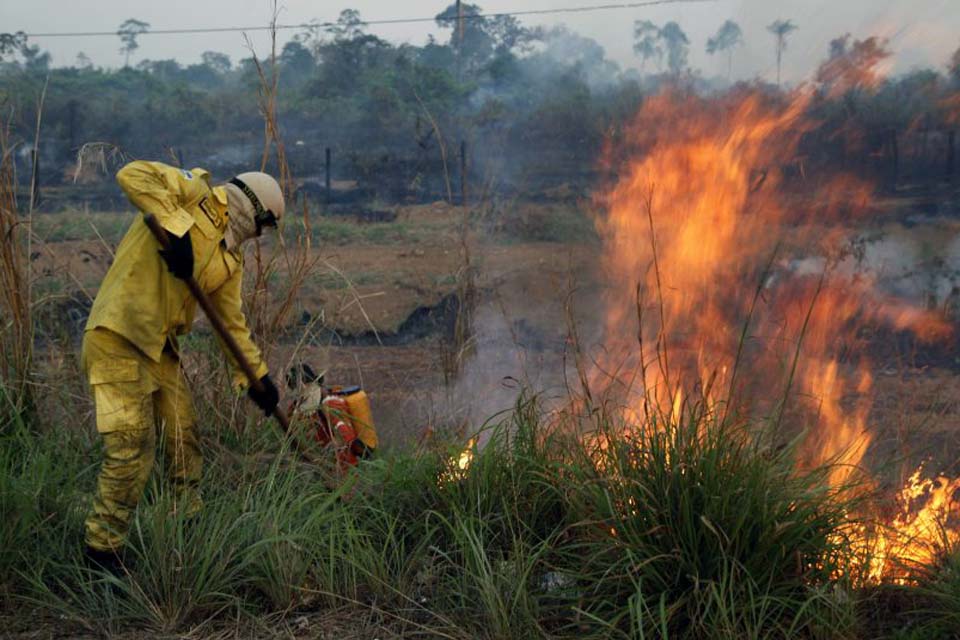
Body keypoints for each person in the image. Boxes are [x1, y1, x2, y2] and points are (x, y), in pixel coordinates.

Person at [81, 160, 284, 571]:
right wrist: (177, 231)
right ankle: (102, 551)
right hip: (119, 335)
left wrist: (256, 377)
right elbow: (131, 174)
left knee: (183, 439)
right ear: (255, 211)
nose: (259, 236)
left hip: (161, 351)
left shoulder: (231, 260)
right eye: (263, 227)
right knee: (131, 448)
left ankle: (184, 531)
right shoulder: (192, 194)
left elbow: (231, 323)